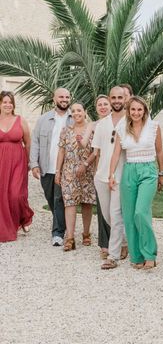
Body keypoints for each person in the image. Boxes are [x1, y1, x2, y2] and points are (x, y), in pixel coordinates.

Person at [108, 96, 163, 270]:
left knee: (141, 212)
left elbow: (160, 151)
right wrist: (111, 174)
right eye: (133, 109)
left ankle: (150, 254)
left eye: (139, 109)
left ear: (145, 111)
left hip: (148, 171)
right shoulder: (122, 129)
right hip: (129, 171)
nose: (136, 113)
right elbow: (116, 154)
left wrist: (161, 172)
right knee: (129, 215)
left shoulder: (154, 127)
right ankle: (136, 256)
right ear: (128, 110)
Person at [86, 87, 128, 270]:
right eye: (114, 97)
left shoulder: (131, 121)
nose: (117, 100)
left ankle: (113, 255)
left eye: (120, 97)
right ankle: (125, 242)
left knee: (116, 214)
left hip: (121, 175)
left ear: (125, 99)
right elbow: (97, 152)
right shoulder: (101, 124)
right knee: (108, 216)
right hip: (102, 176)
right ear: (110, 99)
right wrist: (96, 175)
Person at [29, 88, 73, 246]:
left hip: (65, 168)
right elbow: (35, 142)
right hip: (46, 167)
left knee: (59, 198)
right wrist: (33, 164)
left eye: (67, 97)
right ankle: (64, 224)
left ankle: (58, 233)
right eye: (61, 96)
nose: (64, 99)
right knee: (50, 198)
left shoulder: (74, 118)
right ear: (54, 99)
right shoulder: (44, 119)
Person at [55, 103, 97, 251]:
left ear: (85, 111)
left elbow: (95, 151)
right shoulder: (66, 130)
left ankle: (86, 233)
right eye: (73, 111)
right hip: (69, 171)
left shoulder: (92, 129)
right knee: (70, 203)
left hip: (87, 169)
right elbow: (61, 151)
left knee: (86, 202)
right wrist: (58, 171)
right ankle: (70, 238)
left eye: (79, 110)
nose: (76, 113)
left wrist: (85, 164)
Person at [0, 91, 34, 242]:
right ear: (0, 104)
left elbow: (28, 143)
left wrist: (28, 162)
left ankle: (25, 216)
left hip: (18, 162)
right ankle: (11, 223)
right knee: (3, 195)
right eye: (5, 102)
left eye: (10, 102)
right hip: (1, 162)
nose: (8, 105)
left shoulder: (20, 120)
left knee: (16, 194)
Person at [83, 94, 112, 259]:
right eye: (99, 105)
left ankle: (119, 243)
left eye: (105, 104)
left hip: (115, 171)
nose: (102, 107)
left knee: (115, 210)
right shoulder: (95, 125)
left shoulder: (119, 123)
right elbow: (96, 152)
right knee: (102, 211)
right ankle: (104, 244)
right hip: (100, 172)